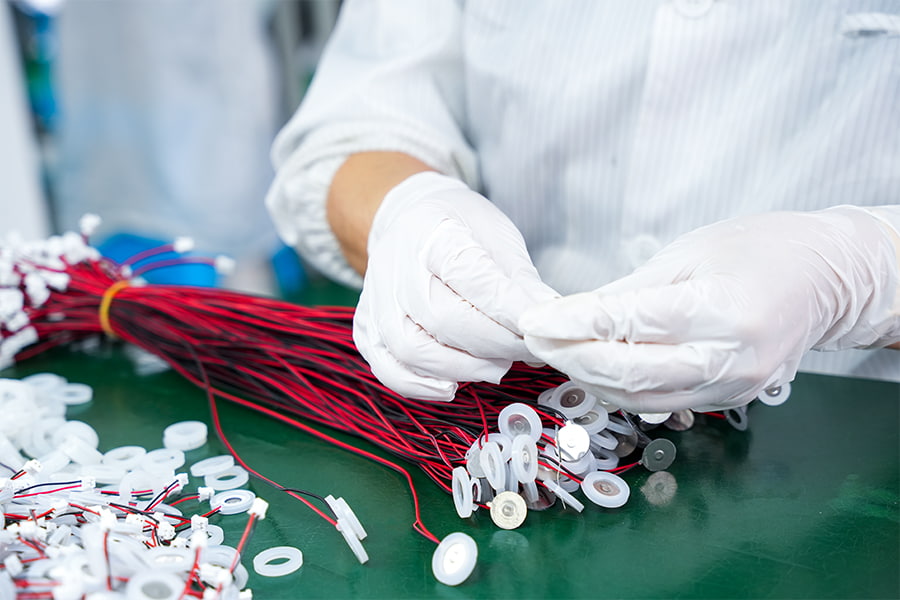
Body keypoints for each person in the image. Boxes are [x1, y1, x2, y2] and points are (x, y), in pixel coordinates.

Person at [266, 1, 900, 413]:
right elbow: (357, 121)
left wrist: (863, 274)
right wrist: (406, 207)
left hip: (847, 430)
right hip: (510, 397)